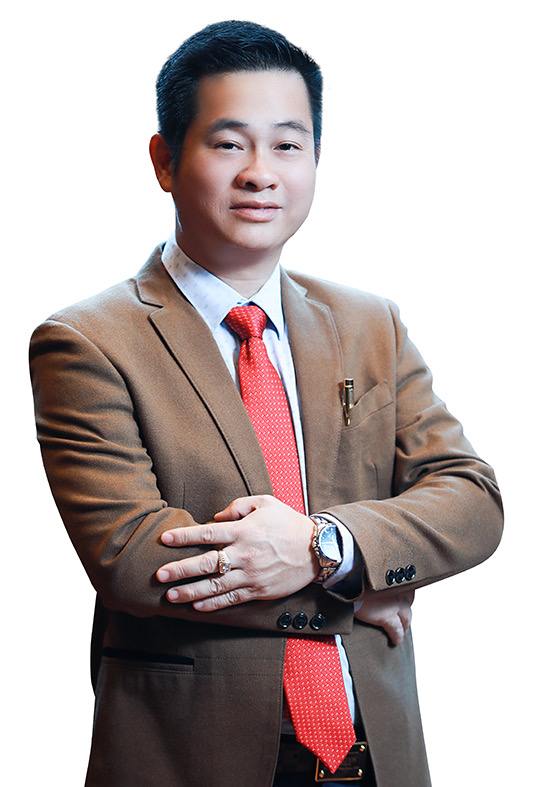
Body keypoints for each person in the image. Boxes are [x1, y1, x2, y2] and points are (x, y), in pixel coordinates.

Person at [29, 20, 503, 787]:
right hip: (192, 756)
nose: (260, 173)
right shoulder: (87, 340)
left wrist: (325, 546)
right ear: (164, 160)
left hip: (377, 754)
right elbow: (132, 558)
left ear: (315, 158)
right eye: (228, 143)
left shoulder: (369, 324)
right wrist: (347, 592)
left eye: (287, 144)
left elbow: (471, 500)